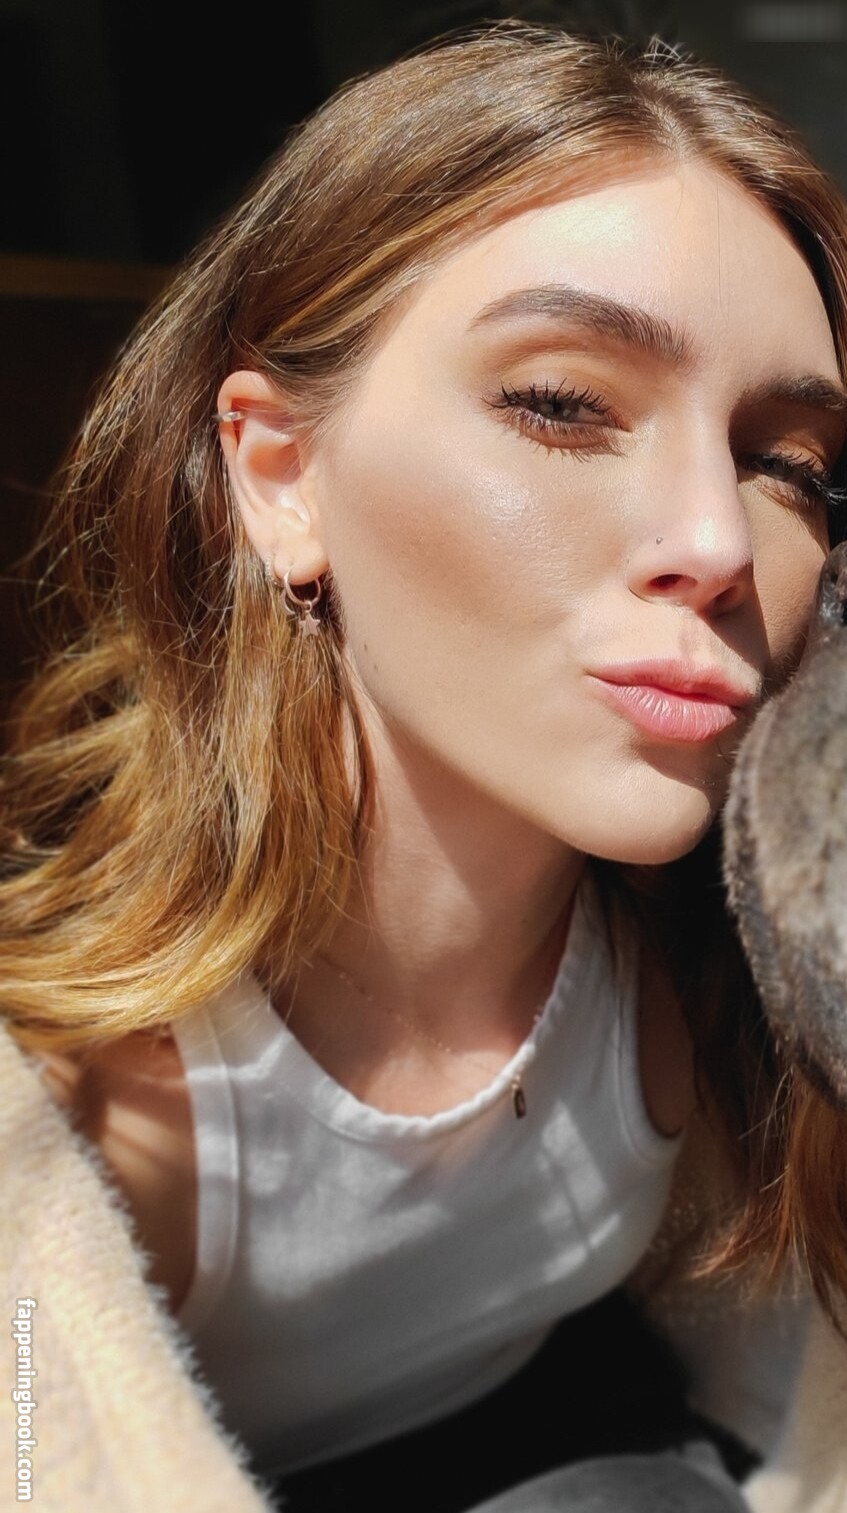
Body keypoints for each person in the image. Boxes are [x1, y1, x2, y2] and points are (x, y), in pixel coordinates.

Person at [3, 19, 847, 1513]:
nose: (720, 543)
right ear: (279, 476)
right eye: (562, 404)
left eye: (788, 466)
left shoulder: (711, 986)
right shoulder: (86, 1100)